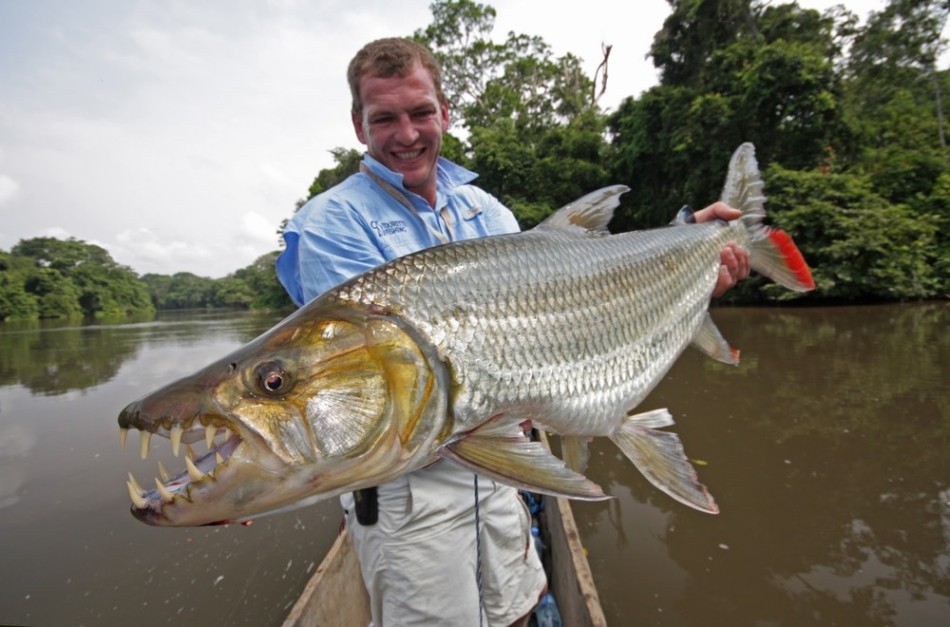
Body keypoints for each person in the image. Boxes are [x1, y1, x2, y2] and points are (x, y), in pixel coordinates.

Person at [276, 37, 749, 627]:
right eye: (385, 118)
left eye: (421, 113)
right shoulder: (329, 225)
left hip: (502, 469)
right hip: (410, 495)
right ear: (358, 124)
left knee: (519, 608)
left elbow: (575, 292)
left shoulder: (486, 211)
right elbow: (368, 391)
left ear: (444, 112)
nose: (406, 134)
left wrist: (687, 249)